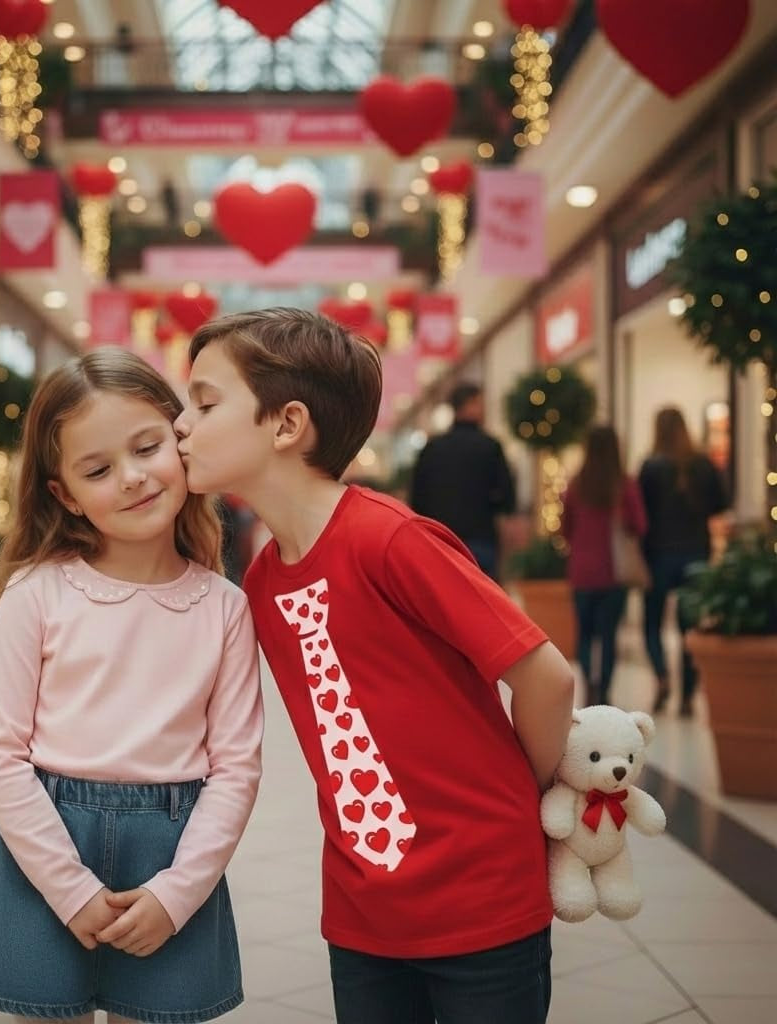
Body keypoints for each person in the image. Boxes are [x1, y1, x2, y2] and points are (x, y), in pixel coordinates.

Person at [175, 308, 574, 1024]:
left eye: (205, 404)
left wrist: (525, 807)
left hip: (481, 893)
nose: (182, 425)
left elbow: (545, 676)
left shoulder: (390, 540)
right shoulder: (261, 581)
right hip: (364, 906)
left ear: (287, 424)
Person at [0, 349, 263, 1024]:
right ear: (65, 494)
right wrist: (69, 888)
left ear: (180, 439)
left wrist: (177, 894)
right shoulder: (36, 593)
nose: (132, 477)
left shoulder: (225, 607)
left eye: (147, 448)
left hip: (173, 856)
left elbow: (236, 768)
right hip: (44, 849)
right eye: (97, 470)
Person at [638, 406, 728, 716]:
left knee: (651, 623)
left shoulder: (650, 467)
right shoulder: (702, 464)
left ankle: (662, 675)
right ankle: (687, 696)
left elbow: (640, 516)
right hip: (695, 553)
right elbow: (720, 504)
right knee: (689, 627)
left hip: (658, 554)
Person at [561, 425, 647, 706]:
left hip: (582, 572)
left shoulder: (577, 484)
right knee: (608, 635)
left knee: (585, 634)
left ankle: (589, 682)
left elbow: (565, 528)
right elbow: (640, 525)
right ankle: (605, 688)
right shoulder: (623, 485)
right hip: (613, 573)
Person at [408, 381, 516, 580]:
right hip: (480, 539)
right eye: (480, 403)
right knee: (482, 595)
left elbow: (417, 498)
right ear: (470, 404)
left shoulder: (432, 448)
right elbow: (507, 496)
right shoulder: (489, 446)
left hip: (439, 540)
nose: (484, 410)